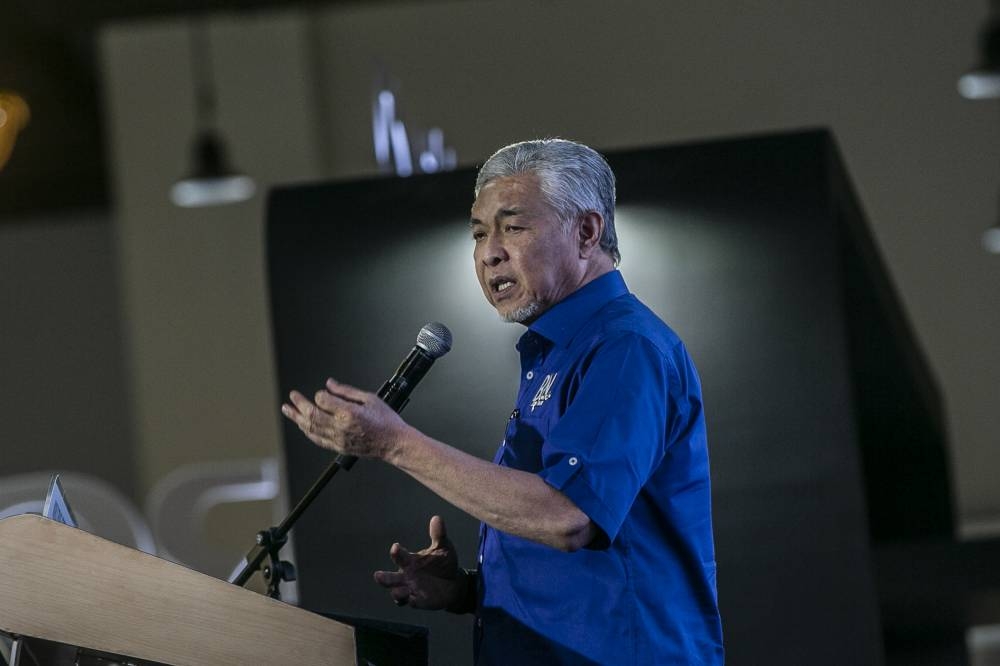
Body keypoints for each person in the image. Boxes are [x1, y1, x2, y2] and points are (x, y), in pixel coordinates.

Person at [281, 138, 724, 664]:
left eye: (513, 227)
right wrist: (468, 590)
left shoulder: (625, 347)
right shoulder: (558, 350)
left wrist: (395, 444)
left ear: (586, 232)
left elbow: (569, 516)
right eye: (478, 232)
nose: (490, 251)